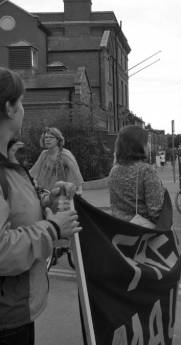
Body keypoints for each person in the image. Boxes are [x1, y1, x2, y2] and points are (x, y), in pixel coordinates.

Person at [0, 67, 81, 345]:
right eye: (21, 102)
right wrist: (53, 227)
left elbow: (15, 207)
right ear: (10, 108)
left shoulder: (9, 164)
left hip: (17, 310)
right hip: (6, 318)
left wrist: (46, 199)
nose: (23, 109)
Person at [109, 125, 166, 226]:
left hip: (119, 231)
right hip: (142, 232)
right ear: (138, 145)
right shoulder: (146, 171)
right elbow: (155, 212)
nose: (148, 145)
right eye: (146, 142)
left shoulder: (114, 170)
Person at [29, 127, 84, 194]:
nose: (48, 140)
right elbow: (35, 172)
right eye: (46, 137)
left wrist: (79, 190)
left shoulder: (65, 155)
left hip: (61, 193)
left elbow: (75, 173)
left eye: (51, 137)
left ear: (58, 140)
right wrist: (34, 182)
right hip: (44, 193)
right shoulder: (44, 154)